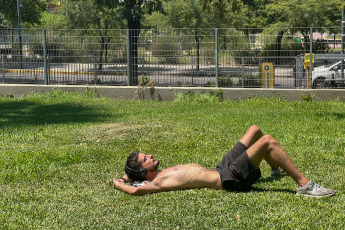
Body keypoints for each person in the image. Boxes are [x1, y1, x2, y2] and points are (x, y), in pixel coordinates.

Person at [113, 125, 336, 197]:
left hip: (222, 167)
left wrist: (126, 174)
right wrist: (119, 183)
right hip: (229, 178)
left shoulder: (158, 174)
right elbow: (135, 191)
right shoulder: (158, 183)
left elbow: (132, 178)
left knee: (255, 130)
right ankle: (305, 186)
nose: (150, 155)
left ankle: (275, 169)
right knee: (267, 141)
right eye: (146, 159)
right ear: (143, 173)